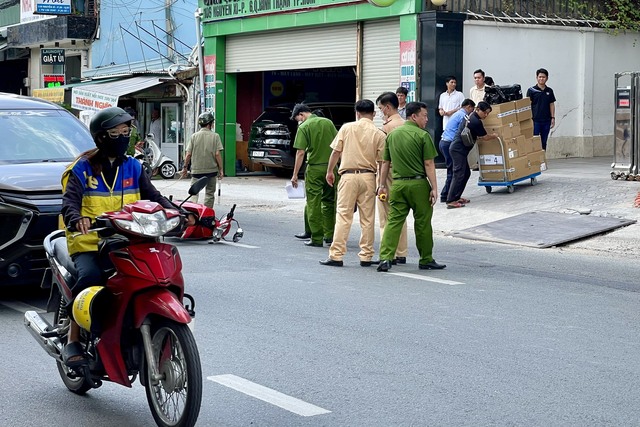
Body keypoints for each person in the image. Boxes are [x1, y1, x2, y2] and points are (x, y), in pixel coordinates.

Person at [60, 107, 193, 369]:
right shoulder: (81, 169)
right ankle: (72, 337)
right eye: (115, 133)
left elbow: (154, 196)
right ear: (101, 137)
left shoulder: (133, 166)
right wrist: (77, 218)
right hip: (90, 241)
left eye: (126, 131)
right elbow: (69, 203)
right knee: (91, 279)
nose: (122, 137)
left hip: (129, 239)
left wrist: (178, 212)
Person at [376, 102, 445, 272]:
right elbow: (429, 163)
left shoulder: (392, 135)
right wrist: (434, 188)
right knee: (422, 223)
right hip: (418, 184)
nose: (427, 119)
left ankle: (385, 258)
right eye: (424, 115)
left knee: (393, 221)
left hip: (398, 185)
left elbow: (385, 163)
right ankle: (426, 259)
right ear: (414, 116)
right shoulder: (423, 136)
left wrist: (382, 185)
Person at [319, 99, 386, 267]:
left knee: (343, 216)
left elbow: (336, 152)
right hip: (369, 177)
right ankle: (366, 256)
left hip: (348, 176)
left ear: (357, 113)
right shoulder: (379, 134)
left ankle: (336, 255)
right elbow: (383, 162)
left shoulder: (346, 128)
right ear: (374, 114)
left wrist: (329, 172)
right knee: (368, 219)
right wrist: (381, 183)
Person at [290, 103, 339, 247]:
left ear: (302, 115)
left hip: (315, 169)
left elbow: (300, 152)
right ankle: (329, 235)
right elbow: (338, 145)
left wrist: (294, 175)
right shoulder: (328, 122)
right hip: (331, 168)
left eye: (298, 118)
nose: (299, 121)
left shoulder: (304, 127)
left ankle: (317, 237)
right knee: (330, 201)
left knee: (313, 202)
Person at [375, 91, 408, 265]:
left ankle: (389, 253)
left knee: (386, 216)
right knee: (400, 215)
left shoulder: (386, 128)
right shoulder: (406, 124)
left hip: (388, 175)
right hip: (404, 175)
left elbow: (383, 159)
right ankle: (401, 252)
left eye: (381, 108)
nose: (381, 112)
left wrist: (380, 183)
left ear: (388, 107)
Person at [445, 101, 498, 209]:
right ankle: (450, 200)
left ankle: (457, 196)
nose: (486, 115)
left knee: (465, 173)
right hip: (457, 150)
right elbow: (485, 137)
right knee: (459, 174)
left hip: (460, 150)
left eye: (488, 113)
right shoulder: (475, 121)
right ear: (478, 109)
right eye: (485, 112)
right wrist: (494, 135)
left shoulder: (470, 116)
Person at [181, 112, 224, 208]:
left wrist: (185, 168)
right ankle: (207, 215)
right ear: (209, 124)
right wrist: (221, 169)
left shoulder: (194, 136)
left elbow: (188, 154)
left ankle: (192, 213)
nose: (213, 125)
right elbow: (217, 154)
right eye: (212, 123)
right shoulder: (215, 136)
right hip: (211, 171)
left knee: (194, 193)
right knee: (209, 194)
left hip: (196, 171)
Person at [439, 99, 476, 203]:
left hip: (444, 142)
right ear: (468, 107)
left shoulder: (457, 114)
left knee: (459, 171)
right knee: (455, 171)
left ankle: (453, 195)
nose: (472, 112)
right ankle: (446, 196)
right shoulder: (463, 116)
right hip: (449, 144)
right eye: (472, 109)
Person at [526, 68, 556, 150]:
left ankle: (542, 159)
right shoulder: (531, 90)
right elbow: (528, 104)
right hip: (535, 120)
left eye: (543, 77)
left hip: (546, 120)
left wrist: (552, 118)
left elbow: (552, 104)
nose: (541, 79)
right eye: (540, 77)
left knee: (544, 141)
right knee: (534, 140)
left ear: (547, 78)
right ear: (536, 78)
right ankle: (534, 160)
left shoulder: (549, 91)